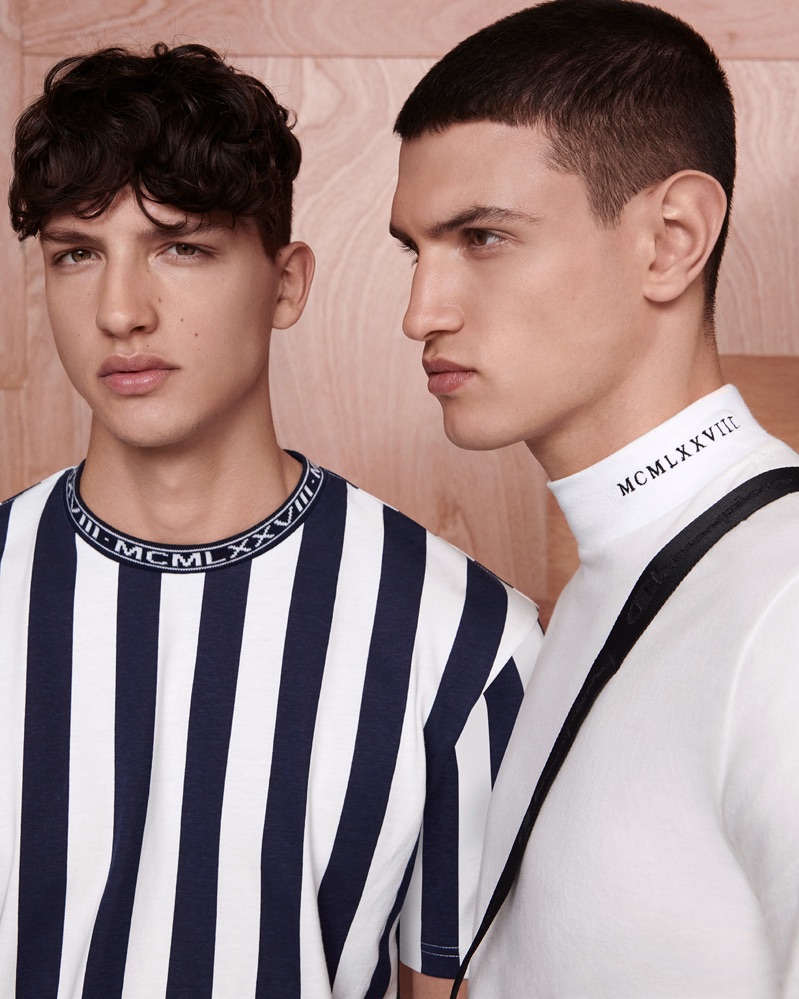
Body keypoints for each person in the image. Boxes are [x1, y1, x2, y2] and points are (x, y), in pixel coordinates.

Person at [0, 43, 541, 998]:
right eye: (78, 253)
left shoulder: (465, 638)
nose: (121, 311)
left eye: (182, 247)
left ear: (286, 283)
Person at [390, 0, 799, 995]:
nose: (419, 312)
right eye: (415, 250)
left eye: (482, 237)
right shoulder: (610, 584)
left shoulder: (783, 605)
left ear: (670, 239)